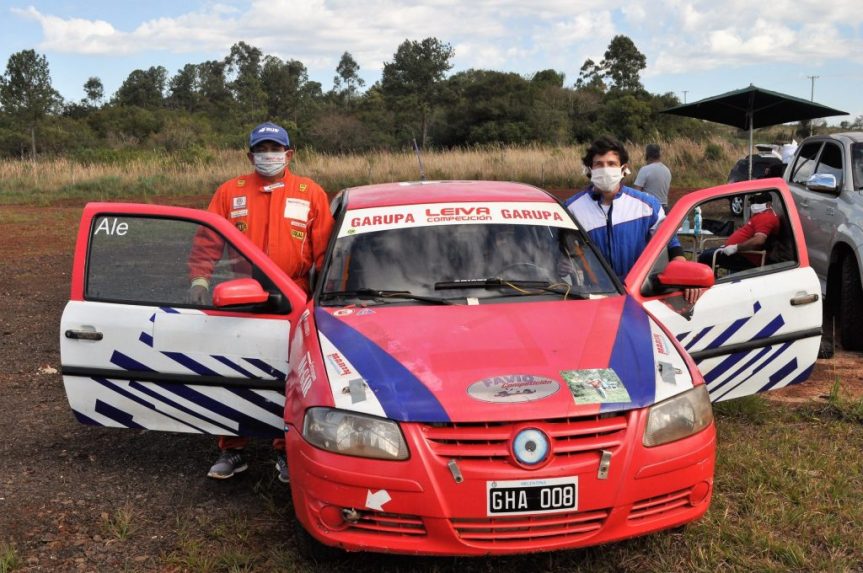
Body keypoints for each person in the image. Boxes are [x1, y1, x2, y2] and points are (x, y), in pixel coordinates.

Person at [188, 121, 334, 482]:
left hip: (294, 297)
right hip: (242, 293)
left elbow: (324, 251)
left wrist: (323, 297)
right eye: (261, 150)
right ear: (250, 154)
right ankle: (232, 449)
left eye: (275, 149)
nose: (268, 156)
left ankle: (284, 451)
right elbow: (208, 239)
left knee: (289, 374)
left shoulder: (310, 192)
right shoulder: (229, 192)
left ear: (289, 153)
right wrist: (200, 277)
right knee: (236, 369)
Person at [565, 136, 686, 280]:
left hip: (638, 291)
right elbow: (560, 250)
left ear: (623, 168)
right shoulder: (572, 209)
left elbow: (671, 244)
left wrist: (684, 273)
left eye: (611, 164)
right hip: (596, 294)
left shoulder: (648, 205)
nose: (605, 169)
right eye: (599, 164)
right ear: (590, 169)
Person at [697, 192, 779, 272]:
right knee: (706, 253)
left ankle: (709, 282)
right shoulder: (760, 215)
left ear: (769, 204)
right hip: (739, 252)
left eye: (757, 202)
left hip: (746, 256)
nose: (754, 205)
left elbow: (759, 240)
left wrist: (736, 247)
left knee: (704, 257)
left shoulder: (766, 217)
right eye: (753, 202)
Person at [632, 143, 672, 213]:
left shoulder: (645, 169)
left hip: (649, 208)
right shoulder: (667, 170)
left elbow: (636, 192)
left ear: (647, 155)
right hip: (664, 208)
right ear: (659, 155)